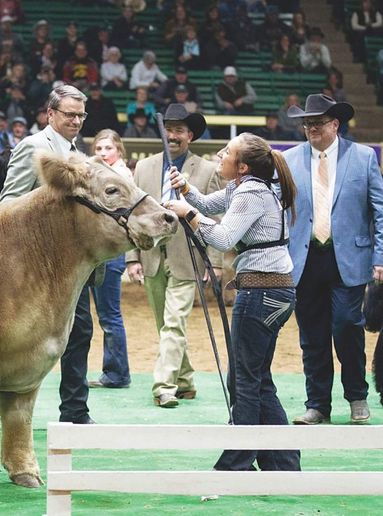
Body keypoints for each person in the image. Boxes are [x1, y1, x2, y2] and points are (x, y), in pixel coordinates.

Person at [164, 132, 301, 472]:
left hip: (261, 293)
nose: (220, 155)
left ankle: (238, 461)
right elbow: (210, 205)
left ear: (241, 166)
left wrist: (188, 214)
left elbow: (224, 237)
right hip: (274, 290)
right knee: (255, 376)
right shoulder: (252, 185)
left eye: (227, 152)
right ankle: (282, 463)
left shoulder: (251, 192)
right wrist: (187, 191)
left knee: (244, 378)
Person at [283, 94, 383, 426]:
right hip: (305, 258)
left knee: (346, 326)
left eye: (317, 123)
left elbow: (379, 212)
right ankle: (317, 405)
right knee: (311, 335)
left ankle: (356, 396)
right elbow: (282, 211)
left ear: (335, 124)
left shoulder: (363, 157)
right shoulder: (290, 160)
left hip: (350, 258)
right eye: (306, 123)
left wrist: (380, 257)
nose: (310, 128)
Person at [0, 84, 96, 424]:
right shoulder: (34, 147)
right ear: (50, 114)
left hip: (70, 263)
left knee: (80, 330)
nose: (77, 121)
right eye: (70, 114)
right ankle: (24, 410)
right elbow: (8, 203)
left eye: (81, 115)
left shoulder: (74, 149)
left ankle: (75, 411)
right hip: (36, 264)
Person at [127, 104, 223, 408]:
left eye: (179, 130)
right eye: (167, 129)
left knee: (173, 323)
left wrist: (216, 262)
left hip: (188, 257)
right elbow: (132, 216)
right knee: (164, 324)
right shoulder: (143, 169)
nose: (172, 135)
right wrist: (132, 257)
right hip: (152, 255)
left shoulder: (207, 170)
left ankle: (164, 386)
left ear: (190, 136)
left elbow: (216, 218)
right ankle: (185, 380)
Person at [87, 129, 133, 389]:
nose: (103, 153)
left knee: (109, 315)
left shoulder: (121, 176)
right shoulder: (106, 174)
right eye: (99, 149)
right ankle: (114, 372)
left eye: (108, 149)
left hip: (111, 253)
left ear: (119, 150)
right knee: (107, 314)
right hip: (102, 252)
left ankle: (117, 374)